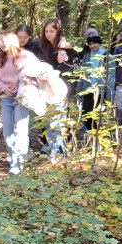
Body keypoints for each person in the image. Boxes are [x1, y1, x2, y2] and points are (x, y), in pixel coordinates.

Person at [0, 31, 40, 175]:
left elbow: (39, 73)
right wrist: (4, 88)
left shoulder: (27, 56)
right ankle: (13, 157)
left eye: (2, 41)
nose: (0, 44)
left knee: (20, 128)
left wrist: (30, 81)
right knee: (7, 131)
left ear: (11, 41)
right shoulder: (0, 59)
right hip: (7, 98)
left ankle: (18, 162)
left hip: (22, 98)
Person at [36, 18, 76, 160]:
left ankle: (63, 148)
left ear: (58, 31)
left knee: (60, 118)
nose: (48, 34)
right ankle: (48, 146)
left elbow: (73, 68)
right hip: (45, 87)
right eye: (46, 31)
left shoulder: (65, 47)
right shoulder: (41, 47)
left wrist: (63, 62)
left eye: (52, 31)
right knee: (45, 117)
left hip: (61, 87)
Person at [77, 35, 108, 132]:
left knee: (98, 116)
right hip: (88, 90)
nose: (92, 46)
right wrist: (79, 93)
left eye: (94, 43)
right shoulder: (86, 56)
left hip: (101, 91)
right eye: (90, 44)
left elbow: (110, 75)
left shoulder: (106, 55)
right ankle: (89, 136)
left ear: (99, 43)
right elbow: (81, 75)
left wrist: (109, 95)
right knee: (86, 115)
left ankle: (98, 138)